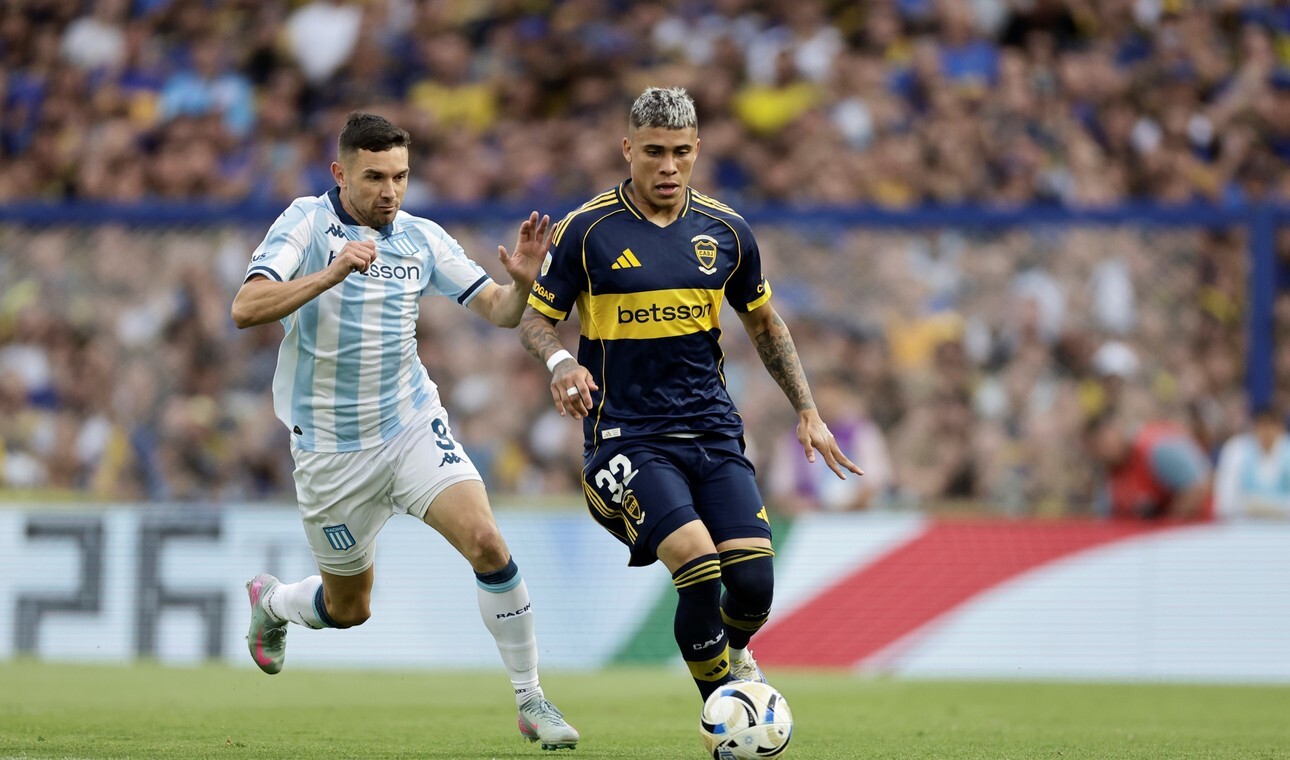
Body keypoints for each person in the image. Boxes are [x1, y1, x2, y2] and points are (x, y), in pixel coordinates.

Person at [230, 112, 578, 750]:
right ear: (340, 174)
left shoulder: (421, 238)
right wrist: (332, 273)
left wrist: (524, 282)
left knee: (487, 543)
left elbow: (501, 311)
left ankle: (532, 699)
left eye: (400, 176)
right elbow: (245, 307)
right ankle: (274, 602)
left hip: (411, 426)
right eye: (374, 177)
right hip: (331, 451)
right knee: (349, 610)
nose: (390, 191)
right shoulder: (306, 223)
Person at [518, 87, 862, 700]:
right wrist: (560, 360)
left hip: (712, 433)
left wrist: (808, 411)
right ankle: (723, 710)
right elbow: (535, 319)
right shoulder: (586, 231)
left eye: (681, 152)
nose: (668, 166)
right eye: (654, 152)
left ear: (698, 149)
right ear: (628, 149)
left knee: (753, 587)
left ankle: (734, 656)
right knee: (699, 564)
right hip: (626, 436)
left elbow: (765, 325)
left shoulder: (727, 231)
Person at [1083, 411, 1212, 520]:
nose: (1103, 450)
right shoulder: (1109, 475)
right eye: (1095, 447)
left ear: (1117, 430)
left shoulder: (1157, 449)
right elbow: (1105, 517)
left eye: (1104, 441)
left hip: (1198, 530)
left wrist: (1165, 525)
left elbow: (1198, 486)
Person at [1213, 405, 1290, 519]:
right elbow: (1225, 502)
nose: (1267, 432)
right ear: (1254, 427)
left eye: (1272, 426)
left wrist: (1268, 508)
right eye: (1262, 425)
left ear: (1281, 428)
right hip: (1244, 524)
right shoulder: (1237, 450)